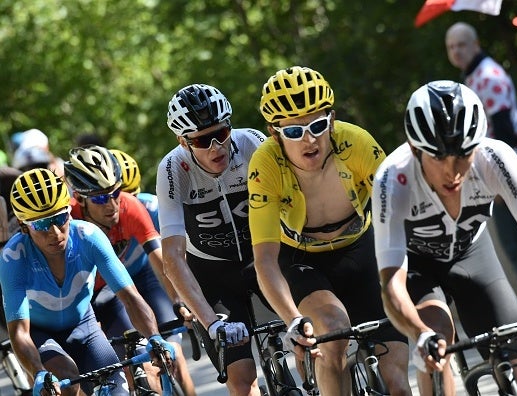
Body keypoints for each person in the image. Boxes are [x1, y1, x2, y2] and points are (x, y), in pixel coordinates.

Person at [247, 66, 411, 396]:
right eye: (294, 132)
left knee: (397, 383)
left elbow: (401, 214)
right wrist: (293, 320)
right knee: (334, 336)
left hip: (362, 250)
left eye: (317, 126)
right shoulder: (265, 164)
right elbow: (265, 259)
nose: (309, 139)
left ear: (332, 121)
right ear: (275, 133)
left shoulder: (358, 144)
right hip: (304, 262)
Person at [372, 80, 517, 395]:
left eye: (462, 155)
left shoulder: (494, 158)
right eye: (438, 157)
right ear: (415, 150)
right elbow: (391, 285)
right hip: (417, 266)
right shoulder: (392, 179)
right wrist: (419, 333)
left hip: (474, 254)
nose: (452, 171)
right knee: (436, 340)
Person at [0, 168, 175, 396]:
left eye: (60, 218)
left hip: (84, 326)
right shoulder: (14, 257)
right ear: (24, 226)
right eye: (41, 225)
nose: (55, 232)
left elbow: (130, 298)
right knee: (67, 379)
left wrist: (154, 337)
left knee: (119, 389)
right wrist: (38, 371)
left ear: (70, 213)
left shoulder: (89, 237)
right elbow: (20, 333)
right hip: (40, 334)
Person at [156, 83, 267, 396]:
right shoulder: (172, 168)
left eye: (222, 133)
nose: (217, 146)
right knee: (242, 377)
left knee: (306, 341)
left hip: (263, 259)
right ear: (183, 141)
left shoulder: (252, 144)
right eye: (204, 140)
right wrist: (210, 322)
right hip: (214, 274)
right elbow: (173, 257)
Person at [63, 145, 196, 396]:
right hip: (82, 298)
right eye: (100, 198)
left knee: (150, 359)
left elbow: (162, 261)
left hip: (122, 287)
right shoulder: (68, 222)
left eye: (115, 193)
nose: (112, 204)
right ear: (80, 198)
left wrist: (181, 300)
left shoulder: (130, 206)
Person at [445, 22, 517, 313]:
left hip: (502, 172)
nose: (456, 51)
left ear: (476, 44)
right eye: (451, 47)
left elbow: (505, 131)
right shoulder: (472, 77)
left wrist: (502, 183)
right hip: (491, 171)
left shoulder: (487, 76)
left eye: (462, 45)